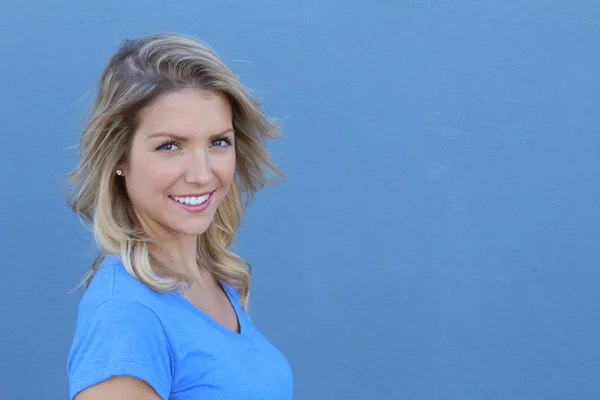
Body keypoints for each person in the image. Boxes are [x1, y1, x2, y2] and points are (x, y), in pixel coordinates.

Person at [66, 32, 293, 400]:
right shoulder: (124, 318)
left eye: (218, 142)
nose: (202, 174)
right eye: (170, 146)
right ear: (119, 157)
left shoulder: (214, 278)